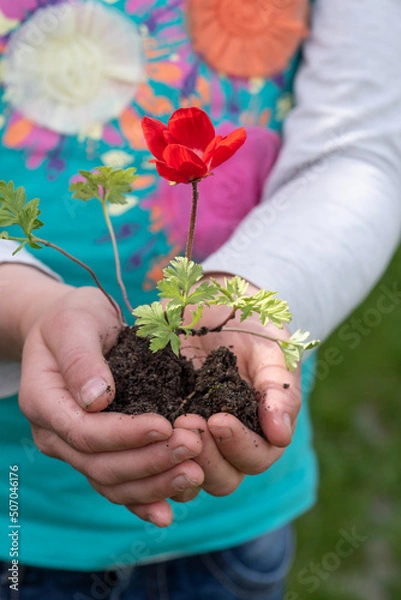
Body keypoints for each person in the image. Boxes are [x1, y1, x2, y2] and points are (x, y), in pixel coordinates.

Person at [1, 0, 401, 598]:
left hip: (230, 516)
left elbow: (359, 147)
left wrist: (253, 287)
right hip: (15, 514)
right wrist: (29, 308)